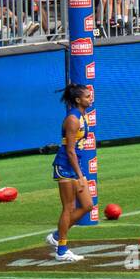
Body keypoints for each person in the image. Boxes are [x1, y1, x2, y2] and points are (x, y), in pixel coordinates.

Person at [46, 84, 95, 262]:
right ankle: (62, 250)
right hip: (66, 166)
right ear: (78, 100)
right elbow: (70, 151)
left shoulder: (82, 116)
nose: (91, 98)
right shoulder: (73, 119)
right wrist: (81, 176)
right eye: (87, 96)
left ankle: (57, 235)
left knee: (88, 205)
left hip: (75, 166)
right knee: (69, 207)